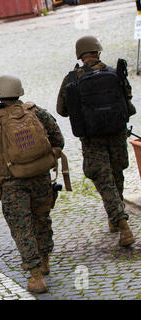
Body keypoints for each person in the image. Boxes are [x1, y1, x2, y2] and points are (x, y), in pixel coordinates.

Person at [0, 75, 65, 293]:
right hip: (40, 176)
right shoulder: (36, 112)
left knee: (22, 226)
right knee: (42, 217)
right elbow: (58, 139)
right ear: (19, 91)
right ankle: (45, 261)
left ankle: (36, 276)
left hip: (11, 183)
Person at [57, 35, 136, 247]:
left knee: (103, 180)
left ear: (80, 55)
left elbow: (61, 110)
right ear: (98, 52)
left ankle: (122, 225)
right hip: (117, 134)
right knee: (116, 173)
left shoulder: (72, 78)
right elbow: (128, 105)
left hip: (92, 140)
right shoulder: (113, 72)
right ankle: (115, 217)